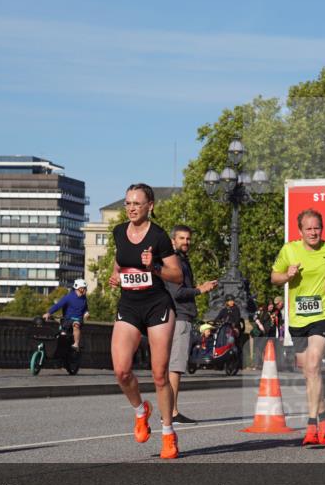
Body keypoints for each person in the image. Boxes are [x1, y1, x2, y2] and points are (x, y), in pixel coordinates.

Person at [271, 208, 325, 446]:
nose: (313, 232)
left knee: (312, 365)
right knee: (307, 370)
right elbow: (274, 277)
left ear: (322, 228)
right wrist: (287, 276)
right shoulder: (289, 250)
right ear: (300, 231)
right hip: (298, 318)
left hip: (324, 314)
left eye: (317, 228)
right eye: (308, 228)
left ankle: (312, 424)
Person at [107, 183, 183, 459]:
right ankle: (141, 411)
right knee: (121, 371)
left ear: (150, 205)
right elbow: (119, 264)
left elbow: (177, 276)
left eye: (137, 203)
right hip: (129, 305)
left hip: (157, 307)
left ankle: (168, 433)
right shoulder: (118, 232)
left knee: (160, 375)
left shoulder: (159, 236)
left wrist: (154, 268)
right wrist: (116, 277)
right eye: (128, 203)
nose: (131, 208)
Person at [165, 224, 217, 425]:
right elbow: (177, 292)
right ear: (173, 241)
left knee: (173, 366)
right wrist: (200, 290)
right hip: (180, 316)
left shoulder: (181, 260)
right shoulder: (175, 261)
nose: (186, 242)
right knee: (175, 367)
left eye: (188, 238)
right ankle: (171, 412)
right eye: (181, 238)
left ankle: (170, 410)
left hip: (178, 316)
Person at [43, 279, 89, 351]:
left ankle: (76, 344)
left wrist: (86, 312)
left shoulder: (84, 298)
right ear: (80, 289)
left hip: (78, 319)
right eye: (85, 288)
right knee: (63, 335)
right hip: (67, 320)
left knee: (76, 324)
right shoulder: (69, 297)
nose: (86, 290)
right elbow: (58, 305)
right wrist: (49, 313)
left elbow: (85, 307)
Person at [253, 301, 280, 368]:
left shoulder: (275, 312)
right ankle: (259, 364)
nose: (272, 306)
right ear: (267, 306)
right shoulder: (263, 312)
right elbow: (256, 318)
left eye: (272, 305)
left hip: (272, 333)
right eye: (270, 305)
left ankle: (271, 363)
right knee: (261, 348)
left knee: (272, 348)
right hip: (264, 333)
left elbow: (278, 322)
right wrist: (260, 325)